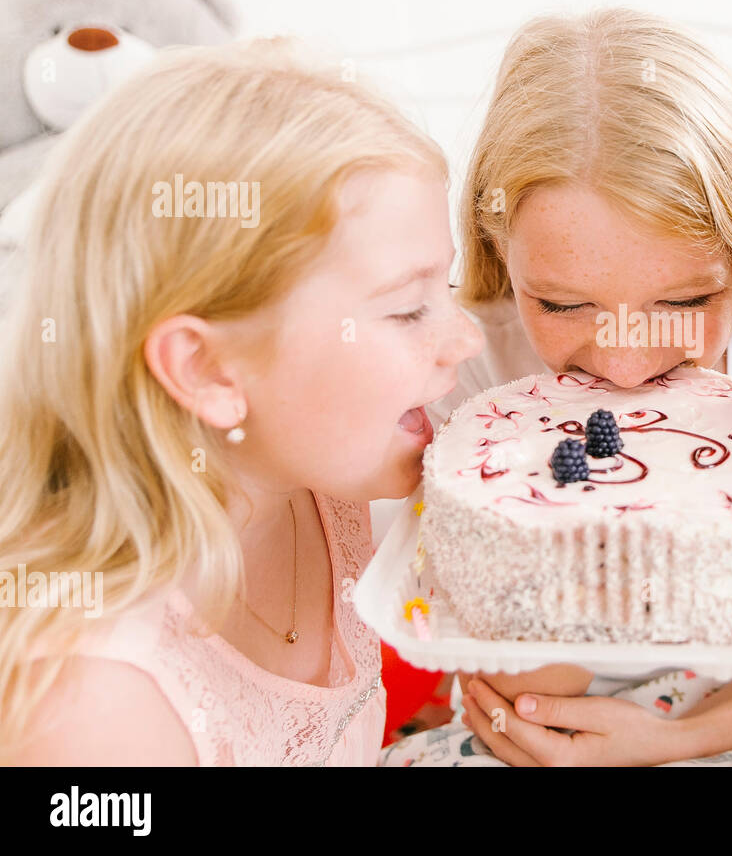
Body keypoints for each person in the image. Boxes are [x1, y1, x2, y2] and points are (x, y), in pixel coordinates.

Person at [378, 8, 732, 767]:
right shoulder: (464, 375)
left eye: (682, 305)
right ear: (497, 248)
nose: (625, 365)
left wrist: (680, 740)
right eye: (564, 305)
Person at [0, 38, 482, 764]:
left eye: (443, 290)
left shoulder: (320, 491)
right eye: (408, 309)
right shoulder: (98, 709)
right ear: (207, 370)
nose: (465, 340)